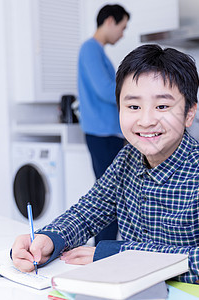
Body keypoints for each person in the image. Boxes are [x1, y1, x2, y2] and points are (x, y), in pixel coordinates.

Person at [12, 44, 199, 295]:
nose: (146, 120)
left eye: (162, 107)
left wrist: (117, 254)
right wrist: (48, 240)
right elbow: (86, 214)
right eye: (133, 107)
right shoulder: (127, 158)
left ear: (189, 113)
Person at [77, 4, 130, 245]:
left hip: (107, 134)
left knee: (112, 197)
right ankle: (101, 256)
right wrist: (133, 92)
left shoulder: (97, 51)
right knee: (111, 199)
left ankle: (102, 254)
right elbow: (105, 90)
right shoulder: (90, 49)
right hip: (102, 135)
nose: (122, 33)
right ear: (110, 21)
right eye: (122, 27)